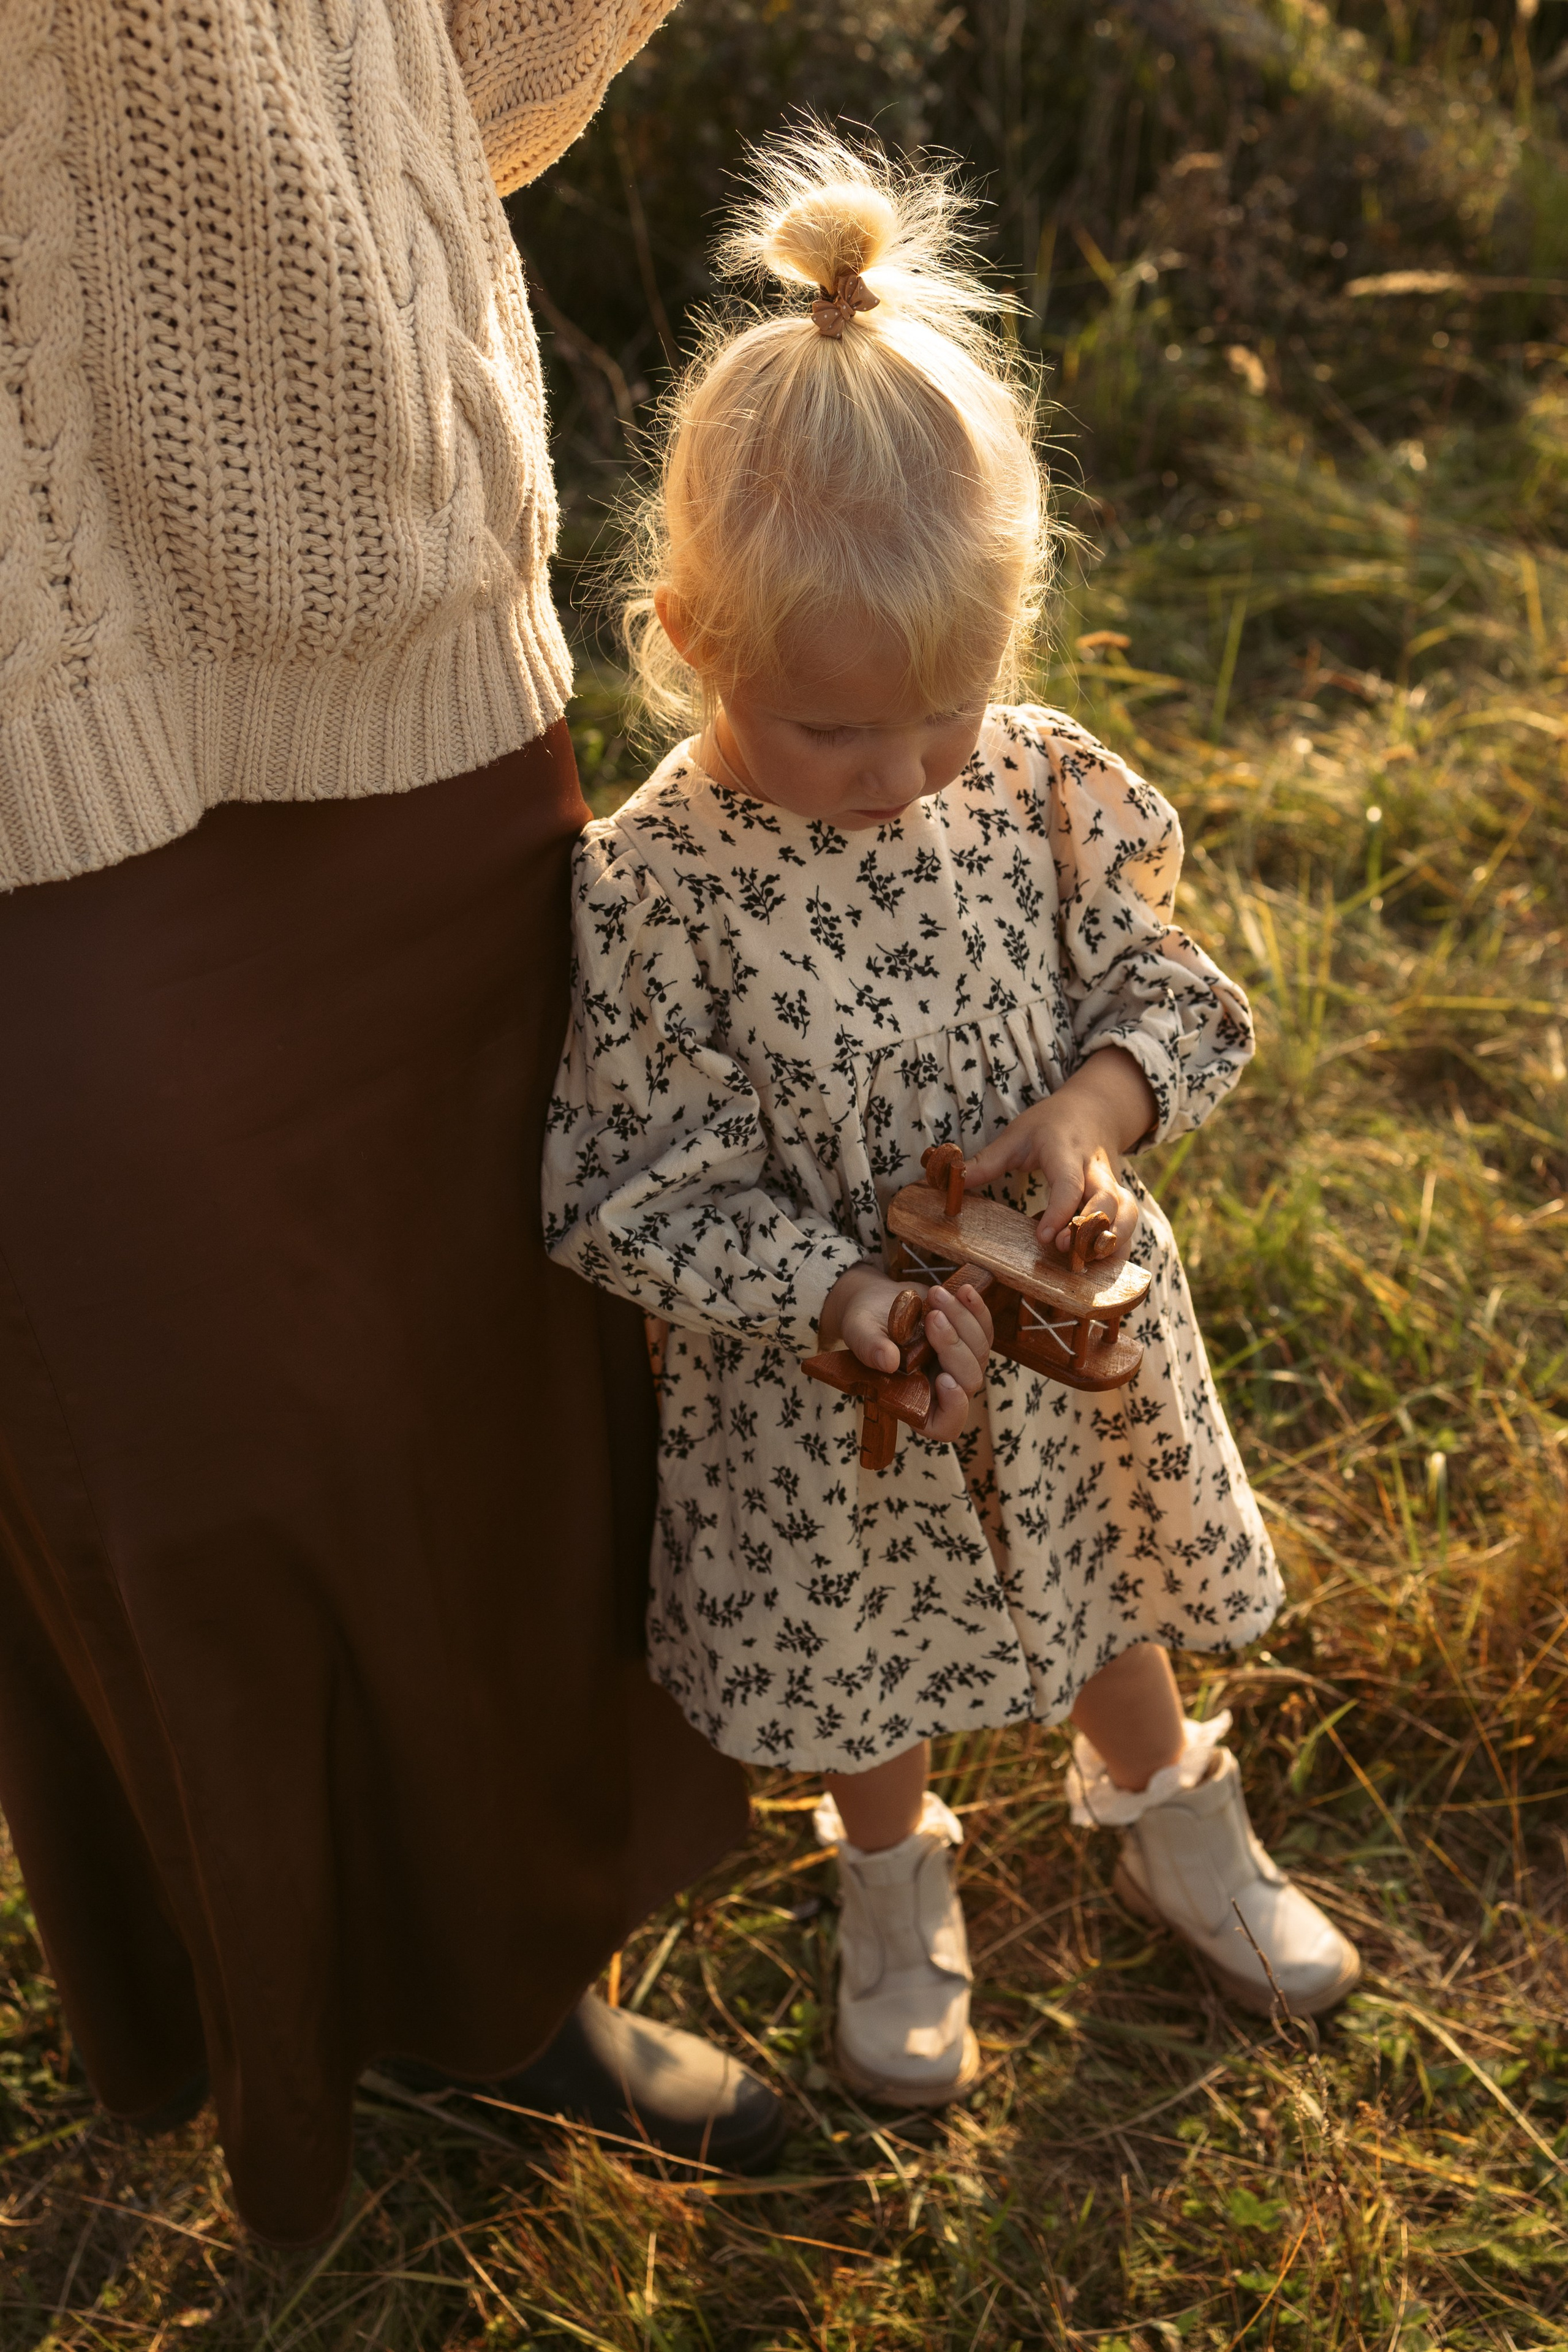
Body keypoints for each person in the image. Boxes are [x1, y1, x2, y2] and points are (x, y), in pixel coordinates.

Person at [0, 0, 784, 2249]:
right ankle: (245, 2014)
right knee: (172, 1432)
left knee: (488, 1357)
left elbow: (468, 50)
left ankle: (507, 1980)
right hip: (30, 660)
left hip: (398, 558)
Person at [542, 130, 1362, 2110]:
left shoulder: (1034, 787)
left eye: (947, 713)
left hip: (1062, 1328)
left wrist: (1085, 1122)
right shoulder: (661, 885)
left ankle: (1167, 1809)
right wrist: (838, 1296)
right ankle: (894, 1885)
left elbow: (1172, 991)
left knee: (1100, 1571)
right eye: (834, 729)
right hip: (834, 1379)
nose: (906, 776)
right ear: (684, 636)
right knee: (862, 1647)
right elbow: (626, 1179)